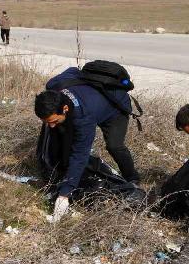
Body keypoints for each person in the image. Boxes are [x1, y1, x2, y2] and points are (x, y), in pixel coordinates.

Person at [35, 67, 141, 221]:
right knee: (61, 136)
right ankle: (62, 172)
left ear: (64, 109)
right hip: (92, 101)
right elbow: (73, 70)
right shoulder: (54, 85)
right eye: (46, 122)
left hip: (114, 108)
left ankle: (133, 178)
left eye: (54, 121)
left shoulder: (83, 118)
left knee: (114, 145)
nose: (51, 125)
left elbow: (80, 155)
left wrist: (65, 195)